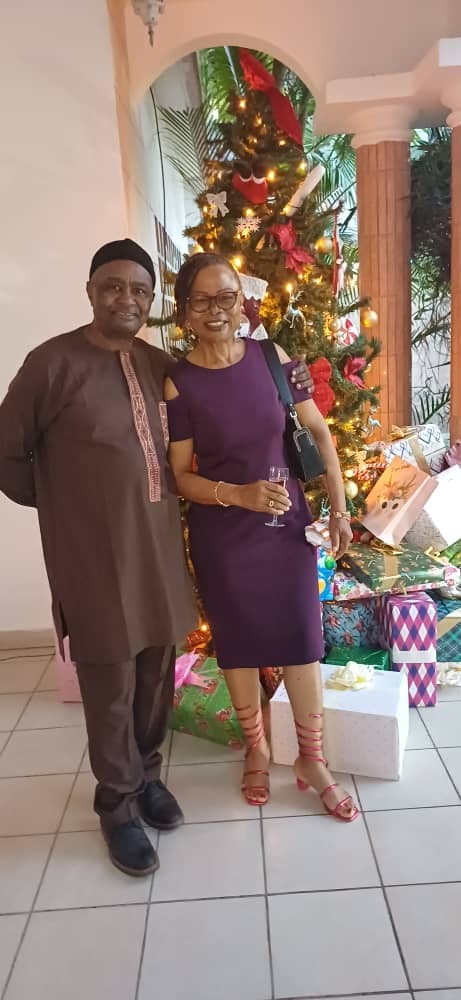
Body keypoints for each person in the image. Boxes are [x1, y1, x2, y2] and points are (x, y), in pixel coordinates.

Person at [0, 238, 314, 875]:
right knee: (110, 680)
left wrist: (294, 377)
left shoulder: (160, 365)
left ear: (152, 302)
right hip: (93, 557)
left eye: (139, 290)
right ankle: (116, 804)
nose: (127, 298)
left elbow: (223, 392)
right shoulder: (51, 363)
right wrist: (63, 505)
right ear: (91, 291)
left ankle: (146, 777)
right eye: (113, 286)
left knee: (154, 675)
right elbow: (7, 453)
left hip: (160, 548)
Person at [165, 252, 359, 822]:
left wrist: (340, 509)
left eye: (226, 296)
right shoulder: (180, 384)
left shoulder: (273, 359)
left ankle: (312, 759)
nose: (216, 310)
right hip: (224, 535)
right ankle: (257, 746)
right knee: (239, 645)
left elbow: (319, 434)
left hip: (287, 529)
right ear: (185, 312)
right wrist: (237, 494)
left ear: (242, 302)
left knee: (302, 639)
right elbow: (180, 477)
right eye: (202, 300)